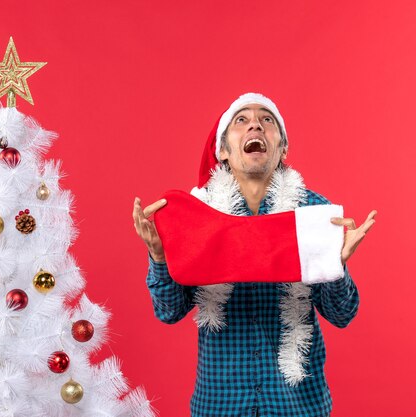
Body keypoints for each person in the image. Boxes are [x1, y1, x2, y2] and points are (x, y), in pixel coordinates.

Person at [132, 93, 377, 417]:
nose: (255, 126)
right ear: (222, 150)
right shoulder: (197, 213)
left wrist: (336, 265)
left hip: (298, 405)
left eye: (267, 120)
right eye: (241, 120)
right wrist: (160, 258)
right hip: (219, 403)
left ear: (283, 149)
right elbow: (169, 312)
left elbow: (342, 315)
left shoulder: (314, 213)